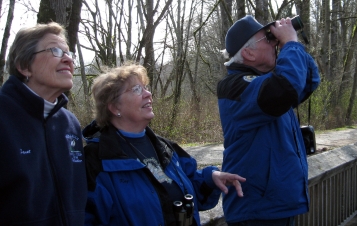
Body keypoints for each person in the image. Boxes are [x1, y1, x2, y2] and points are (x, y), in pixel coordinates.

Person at [83, 64, 245, 226]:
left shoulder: (166, 147)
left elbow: (186, 186)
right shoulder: (96, 161)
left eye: (145, 87)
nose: (148, 94)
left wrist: (210, 178)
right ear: (114, 107)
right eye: (137, 89)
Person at [217, 15, 320, 226]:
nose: (274, 41)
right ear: (248, 53)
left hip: (275, 205)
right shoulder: (234, 87)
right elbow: (287, 88)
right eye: (267, 38)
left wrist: (292, 43)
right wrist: (290, 43)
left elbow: (309, 80)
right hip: (257, 211)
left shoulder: (267, 82)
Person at [0, 22, 87, 225]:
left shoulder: (70, 124)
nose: (68, 59)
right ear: (24, 65)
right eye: (55, 51)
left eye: (69, 53)